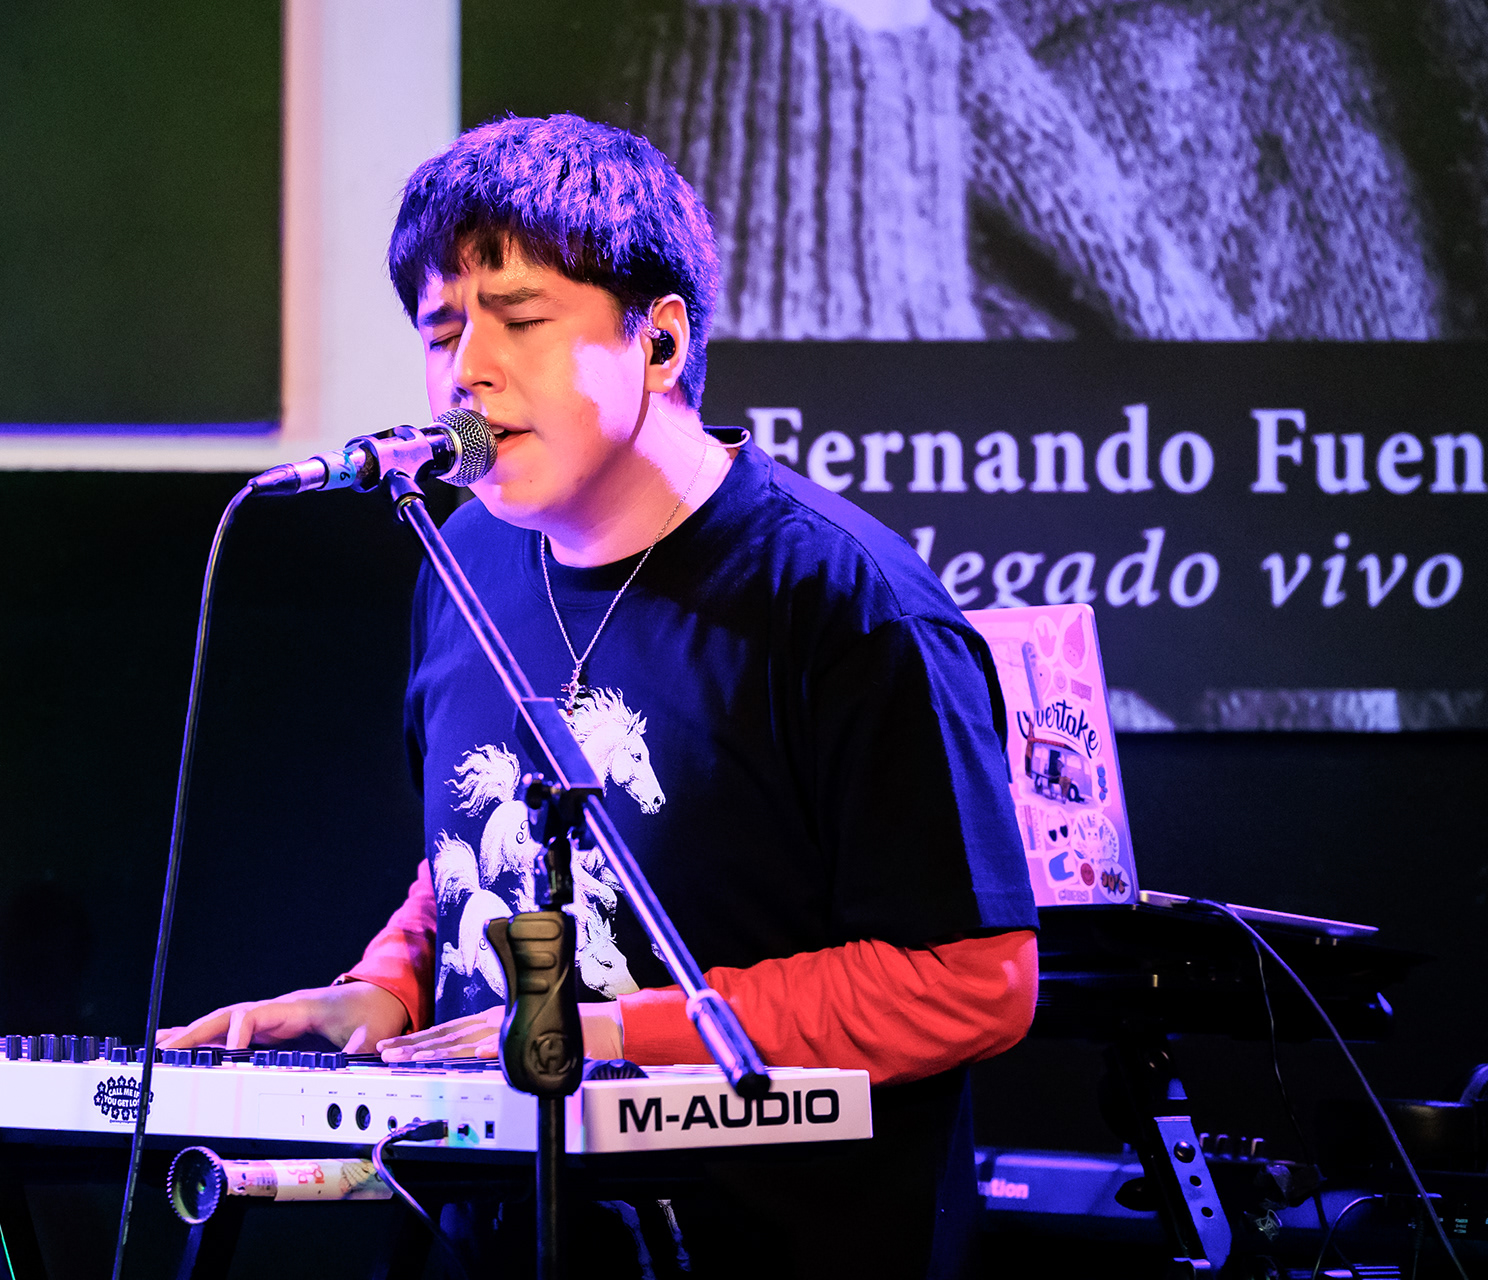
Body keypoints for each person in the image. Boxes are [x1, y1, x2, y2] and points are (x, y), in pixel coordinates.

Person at [161, 113, 1040, 1277]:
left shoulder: (845, 599)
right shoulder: (462, 556)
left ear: (660, 340)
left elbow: (974, 978)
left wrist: (624, 1034)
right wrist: (385, 987)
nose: (466, 370)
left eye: (520, 319)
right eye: (440, 330)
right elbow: (468, 849)